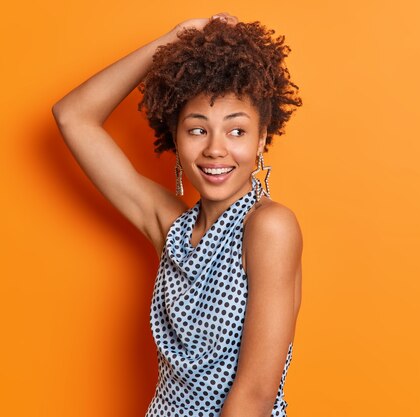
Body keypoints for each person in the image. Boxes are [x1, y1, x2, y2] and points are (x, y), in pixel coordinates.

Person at [52, 12, 303, 417]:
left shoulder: (269, 227)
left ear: (261, 138)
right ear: (176, 138)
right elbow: (73, 116)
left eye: (237, 130)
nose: (216, 150)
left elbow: (255, 396)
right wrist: (173, 40)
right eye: (197, 129)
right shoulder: (171, 227)